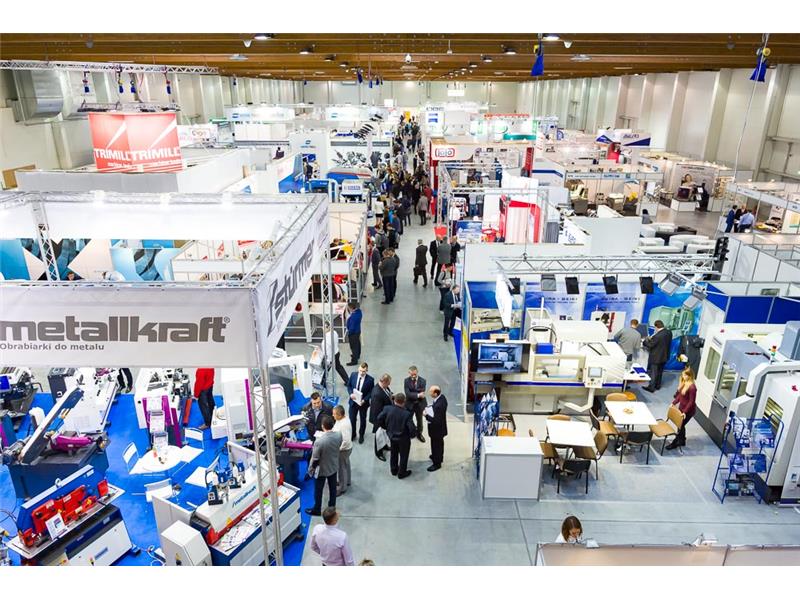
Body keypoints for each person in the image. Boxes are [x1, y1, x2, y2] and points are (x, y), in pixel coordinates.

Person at [305, 415, 341, 516]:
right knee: (332, 489)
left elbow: (315, 458)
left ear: (322, 426)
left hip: (322, 470)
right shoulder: (339, 435)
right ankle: (332, 507)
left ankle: (317, 509)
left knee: (318, 490)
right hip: (333, 466)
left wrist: (311, 470)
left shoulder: (319, 441)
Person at [377, 393, 417, 479]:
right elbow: (412, 429)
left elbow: (379, 418)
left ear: (394, 400)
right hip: (403, 439)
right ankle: (402, 473)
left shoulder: (387, 409)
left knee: (393, 453)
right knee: (404, 455)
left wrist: (386, 427)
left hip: (392, 436)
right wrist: (412, 436)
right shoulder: (407, 414)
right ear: (404, 402)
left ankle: (394, 470)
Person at [667, 367, 697, 450]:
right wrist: (673, 403)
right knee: (680, 425)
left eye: (685, 375)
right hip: (681, 408)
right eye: (683, 375)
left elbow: (691, 402)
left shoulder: (692, 388)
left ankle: (675, 443)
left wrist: (684, 412)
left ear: (689, 376)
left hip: (688, 411)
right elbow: (680, 396)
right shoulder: (684, 383)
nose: (683, 376)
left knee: (680, 425)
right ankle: (682, 440)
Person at [642, 320, 673, 392]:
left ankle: (651, 388)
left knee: (654, 372)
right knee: (660, 372)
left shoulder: (657, 336)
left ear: (656, 327)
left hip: (656, 357)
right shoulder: (669, 332)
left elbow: (650, 345)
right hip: (665, 356)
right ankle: (657, 385)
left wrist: (645, 341)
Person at [347, 362, 374, 444]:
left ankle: (361, 435)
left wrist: (364, 400)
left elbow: (371, 392)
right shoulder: (353, 375)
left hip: (363, 404)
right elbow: (349, 386)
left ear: (367, 370)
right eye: (360, 371)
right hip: (353, 402)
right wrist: (350, 394)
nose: (361, 373)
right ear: (358, 369)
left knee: (362, 420)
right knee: (352, 419)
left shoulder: (370, 380)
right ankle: (353, 434)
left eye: (364, 371)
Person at [368, 374, 393, 461]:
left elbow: (387, 395)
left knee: (384, 434)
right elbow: (377, 411)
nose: (389, 385)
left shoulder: (384, 387)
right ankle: (378, 452)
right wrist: (380, 423)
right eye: (388, 383)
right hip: (379, 420)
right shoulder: (377, 394)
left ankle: (384, 446)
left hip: (384, 417)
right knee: (378, 436)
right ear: (384, 382)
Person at [425, 385, 448, 472]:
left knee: (436, 446)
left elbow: (435, 421)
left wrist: (426, 415)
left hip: (436, 430)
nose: (429, 393)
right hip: (440, 429)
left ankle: (437, 463)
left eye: (431, 392)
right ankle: (437, 457)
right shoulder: (442, 398)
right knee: (439, 444)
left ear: (435, 393)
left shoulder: (438, 405)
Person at [332, 405, 353, 494]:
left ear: (340, 415)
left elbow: (346, 441)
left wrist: (338, 449)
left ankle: (342, 487)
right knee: (346, 465)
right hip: (346, 449)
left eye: (334, 414)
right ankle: (347, 481)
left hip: (343, 450)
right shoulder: (342, 419)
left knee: (341, 468)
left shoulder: (344, 425)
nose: (333, 415)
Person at [403, 366, 427, 442]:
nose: (413, 376)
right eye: (411, 374)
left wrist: (412, 394)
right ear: (409, 373)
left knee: (419, 420)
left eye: (415, 374)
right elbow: (407, 394)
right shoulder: (406, 381)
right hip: (409, 404)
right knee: (408, 419)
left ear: (417, 372)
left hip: (419, 404)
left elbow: (422, 391)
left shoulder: (423, 381)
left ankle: (419, 433)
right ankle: (413, 431)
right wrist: (418, 394)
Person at [345, 301, 362, 366]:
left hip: (353, 333)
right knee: (357, 344)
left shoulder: (353, 317)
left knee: (353, 347)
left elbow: (351, 327)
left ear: (351, 308)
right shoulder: (359, 312)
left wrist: (349, 332)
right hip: (358, 331)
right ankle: (357, 355)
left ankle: (354, 360)